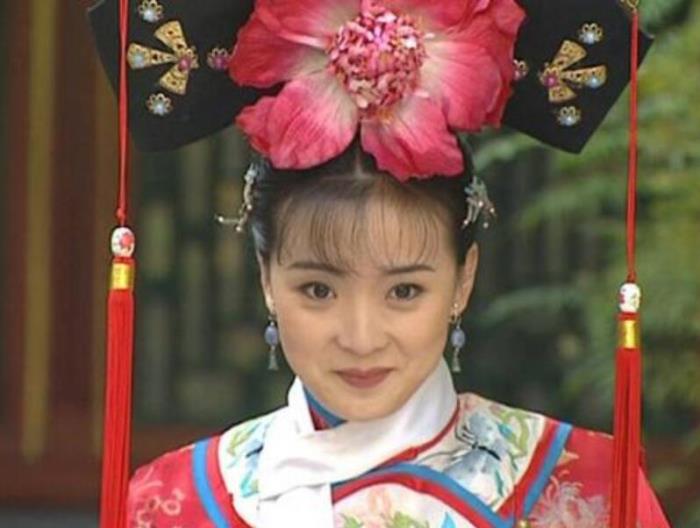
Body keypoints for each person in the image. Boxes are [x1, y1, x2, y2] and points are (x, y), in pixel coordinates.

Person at [88, 0, 670, 526]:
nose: (361, 338)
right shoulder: (174, 505)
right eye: (318, 290)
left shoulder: (587, 492)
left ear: (463, 279)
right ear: (266, 277)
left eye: (404, 291)